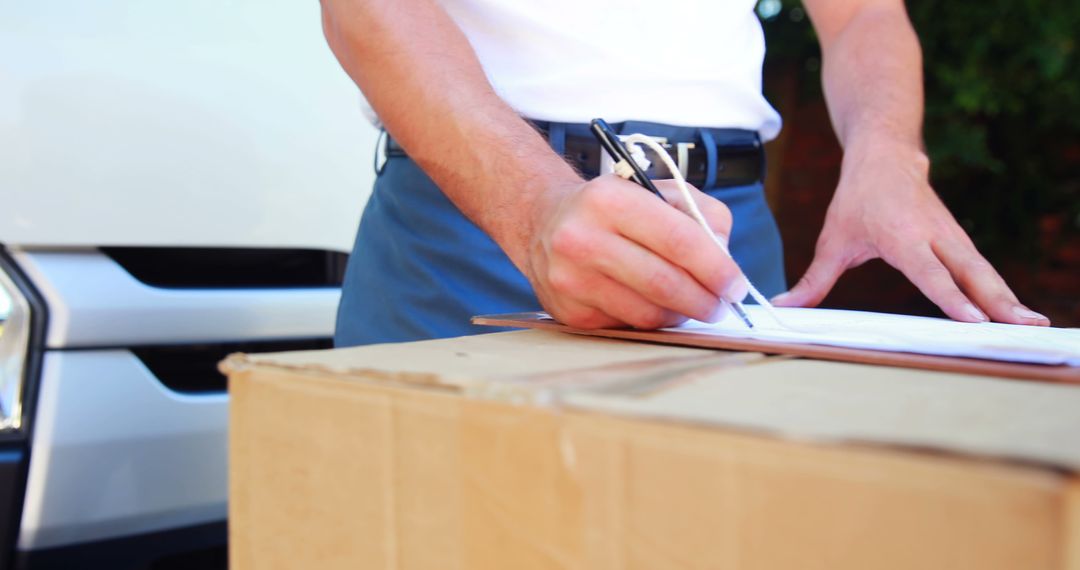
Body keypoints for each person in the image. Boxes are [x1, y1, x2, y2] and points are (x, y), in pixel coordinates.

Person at [324, 0, 1050, 347]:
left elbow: (863, 13)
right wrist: (530, 207)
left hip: (723, 236)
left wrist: (887, 153)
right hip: (466, 219)